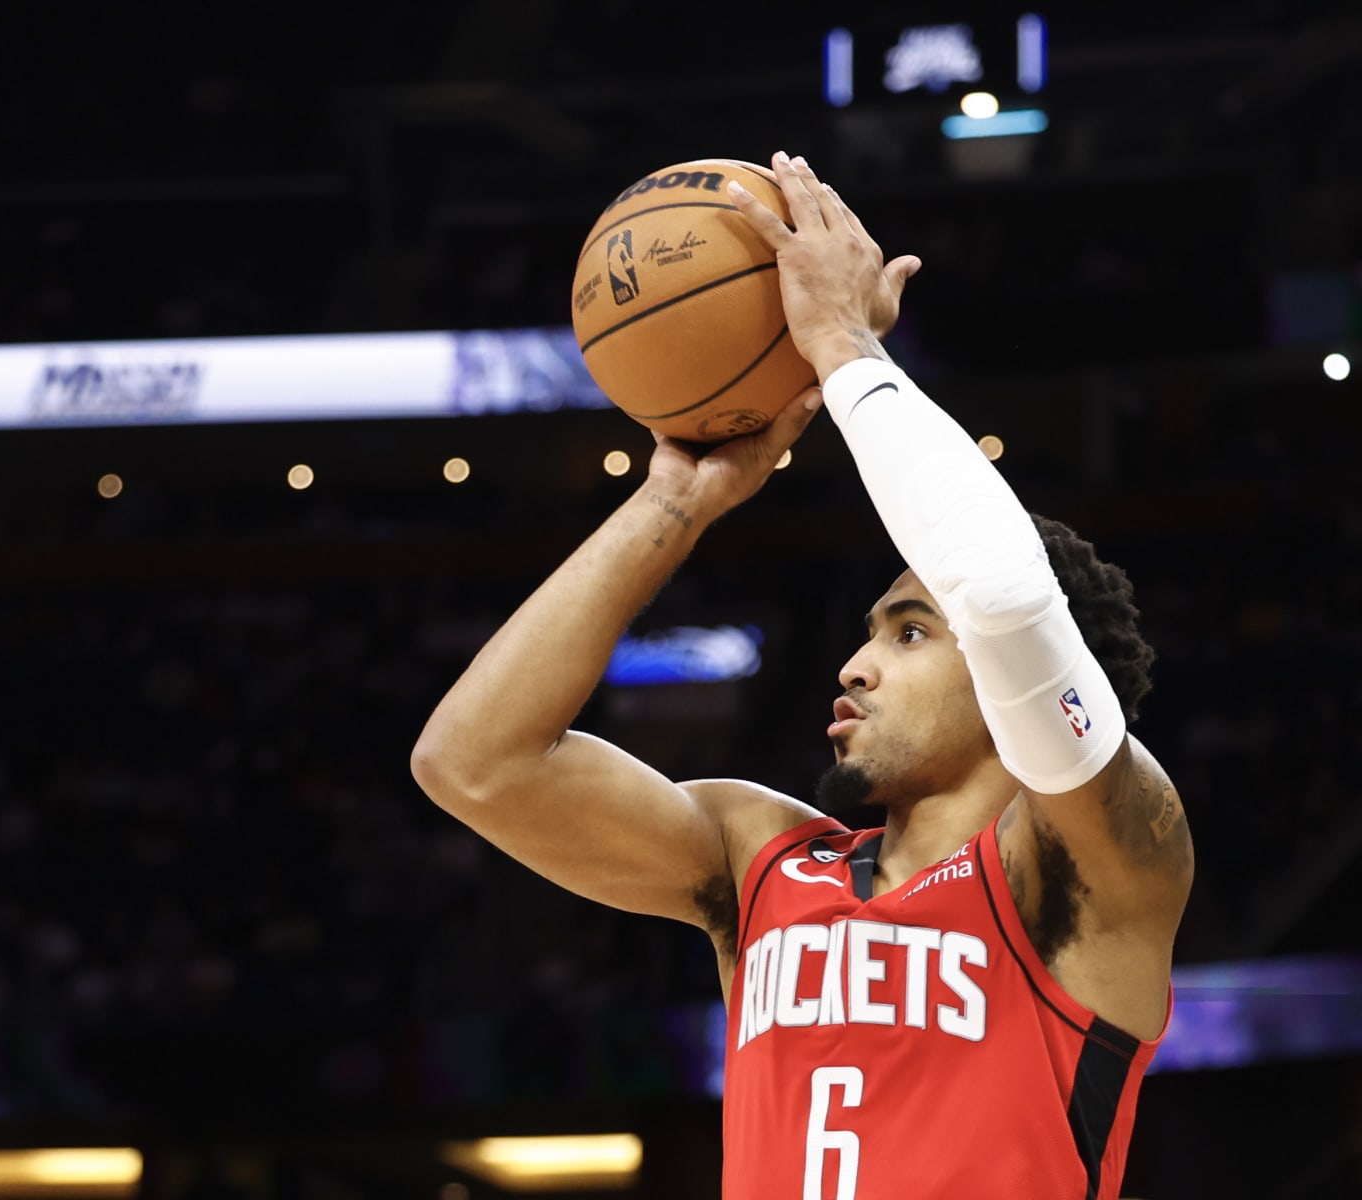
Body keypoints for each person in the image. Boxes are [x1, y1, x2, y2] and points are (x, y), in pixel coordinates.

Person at [410, 151, 1193, 1199]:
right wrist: (674, 503)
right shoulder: (763, 861)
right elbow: (471, 763)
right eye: (871, 631)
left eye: (911, 634)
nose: (857, 664)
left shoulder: (1103, 863)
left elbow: (1003, 595)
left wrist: (842, 346)